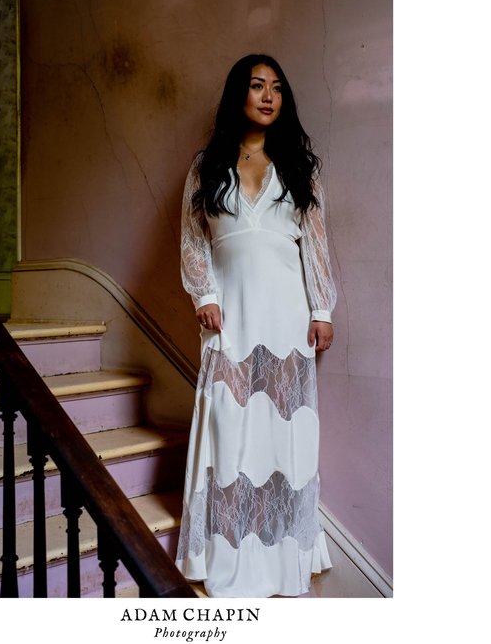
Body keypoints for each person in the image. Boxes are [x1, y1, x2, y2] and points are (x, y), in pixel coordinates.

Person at [175, 54, 337, 597]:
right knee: (229, 431)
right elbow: (193, 240)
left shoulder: (300, 166)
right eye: (256, 86)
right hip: (231, 316)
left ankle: (281, 562)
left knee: (281, 437)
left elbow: (314, 243)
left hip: (286, 317)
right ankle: (224, 558)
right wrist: (204, 293)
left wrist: (321, 309)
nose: (268, 96)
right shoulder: (206, 165)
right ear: (237, 95)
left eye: (277, 88)